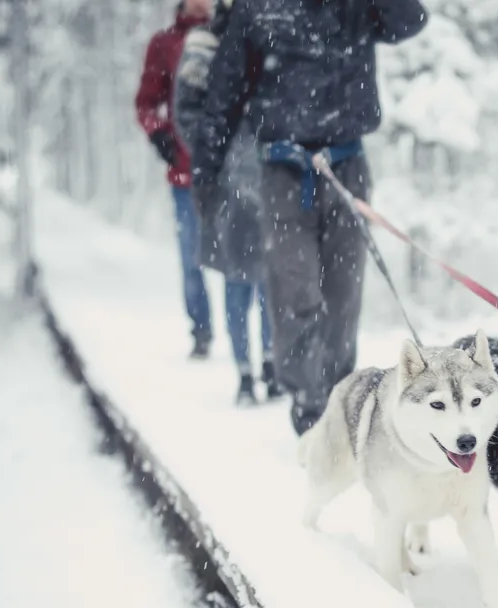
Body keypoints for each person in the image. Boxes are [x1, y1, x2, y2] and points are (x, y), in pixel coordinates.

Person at [179, 0, 428, 435]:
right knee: (295, 291)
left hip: (347, 164)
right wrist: (206, 178)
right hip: (283, 172)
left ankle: (338, 398)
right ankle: (310, 403)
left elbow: (409, 20)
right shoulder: (256, 10)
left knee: (343, 295)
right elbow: (222, 98)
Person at [174, 1, 281, 405]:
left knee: (273, 275)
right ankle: (244, 373)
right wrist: (219, 152)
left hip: (273, 174)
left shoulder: (274, 32)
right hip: (226, 181)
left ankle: (272, 364)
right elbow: (187, 111)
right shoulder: (205, 42)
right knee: (238, 276)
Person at [136, 0, 213, 359]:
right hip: (185, 172)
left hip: (229, 173)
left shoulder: (230, 33)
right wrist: (160, 136)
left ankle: (253, 345)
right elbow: (146, 103)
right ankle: (200, 329)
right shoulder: (164, 44)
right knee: (191, 257)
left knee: (246, 257)